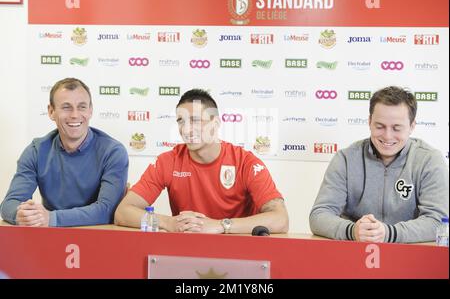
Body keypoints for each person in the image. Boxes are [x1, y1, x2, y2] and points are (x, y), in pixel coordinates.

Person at [114, 89, 289, 234]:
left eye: (195, 120)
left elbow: (281, 219)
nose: (186, 129)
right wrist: (168, 223)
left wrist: (221, 225)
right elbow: (123, 212)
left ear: (216, 123)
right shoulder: (167, 161)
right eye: (181, 121)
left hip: (240, 254)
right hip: (188, 253)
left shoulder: (246, 162)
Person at [309, 86, 448, 243]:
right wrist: (352, 230)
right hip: (353, 257)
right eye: (380, 126)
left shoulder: (429, 160)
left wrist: (389, 233)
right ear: (369, 122)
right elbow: (319, 216)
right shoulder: (345, 159)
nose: (388, 136)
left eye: (397, 128)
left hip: (412, 258)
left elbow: (438, 221)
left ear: (412, 126)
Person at [0, 78, 129, 227]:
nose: (75, 115)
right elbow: (8, 205)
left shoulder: (113, 152)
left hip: (98, 236)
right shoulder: (36, 151)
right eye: (66, 107)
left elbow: (106, 210)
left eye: (81, 107)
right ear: (51, 111)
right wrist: (22, 214)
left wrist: (51, 218)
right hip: (51, 239)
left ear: (90, 110)